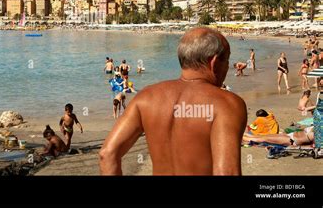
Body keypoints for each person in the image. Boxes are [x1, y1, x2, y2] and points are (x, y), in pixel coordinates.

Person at [99, 27, 247, 175]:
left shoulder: (145, 98)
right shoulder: (227, 105)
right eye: (227, 60)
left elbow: (107, 154)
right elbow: (227, 172)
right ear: (214, 62)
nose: (228, 67)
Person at [243, 126, 314, 147]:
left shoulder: (319, 133)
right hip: (290, 135)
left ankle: (240, 137)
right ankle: (244, 135)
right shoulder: (318, 124)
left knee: (264, 139)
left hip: (292, 140)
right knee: (264, 136)